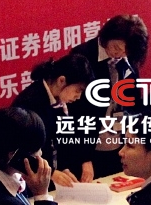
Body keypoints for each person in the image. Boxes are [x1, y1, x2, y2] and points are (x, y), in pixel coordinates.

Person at [70, 14, 151, 178]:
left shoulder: (128, 57)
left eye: (125, 51)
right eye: (116, 47)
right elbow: (76, 112)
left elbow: (134, 101)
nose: (119, 53)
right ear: (106, 36)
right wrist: (84, 158)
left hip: (119, 141)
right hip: (91, 144)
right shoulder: (82, 56)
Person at [13, 52, 94, 187]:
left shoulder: (59, 101)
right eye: (77, 90)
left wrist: (63, 168)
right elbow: (17, 153)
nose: (78, 97)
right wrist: (51, 173)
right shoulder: (29, 103)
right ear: (61, 80)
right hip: (25, 182)